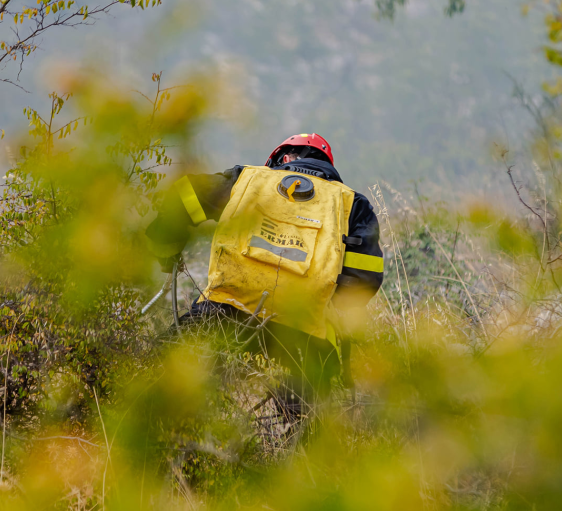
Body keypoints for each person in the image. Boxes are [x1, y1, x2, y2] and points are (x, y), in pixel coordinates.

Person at [145, 133, 384, 419]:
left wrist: (166, 251)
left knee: (155, 378)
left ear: (283, 158)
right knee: (307, 420)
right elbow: (364, 278)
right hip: (303, 333)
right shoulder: (351, 204)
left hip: (223, 312)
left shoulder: (245, 179)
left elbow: (181, 198)